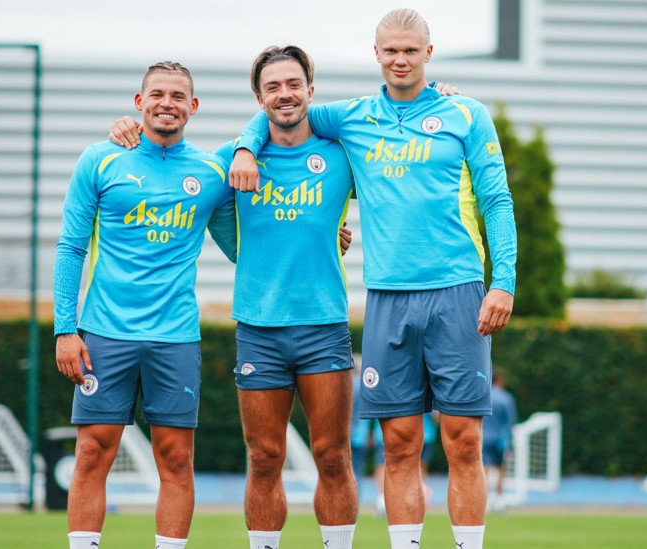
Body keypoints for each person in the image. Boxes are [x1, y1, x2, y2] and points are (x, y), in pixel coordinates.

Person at [228, 9, 517, 549]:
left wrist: (504, 281)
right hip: (386, 298)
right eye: (391, 50)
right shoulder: (351, 117)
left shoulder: (466, 114)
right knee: (399, 445)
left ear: (428, 53)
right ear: (377, 55)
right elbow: (282, 110)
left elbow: (498, 201)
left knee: (464, 441)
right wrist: (245, 146)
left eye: (411, 50)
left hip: (457, 292)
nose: (401, 59)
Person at [110, 45, 361, 549]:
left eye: (294, 85)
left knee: (332, 455)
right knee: (264, 457)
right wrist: (127, 135)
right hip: (259, 330)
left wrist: (437, 100)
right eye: (272, 87)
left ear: (310, 91)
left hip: (324, 326)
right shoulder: (228, 160)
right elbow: (167, 169)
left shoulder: (343, 155)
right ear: (259, 97)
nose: (284, 94)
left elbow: (400, 171)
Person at [53, 61, 238, 549]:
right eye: (157, 94)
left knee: (176, 459)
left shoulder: (211, 172)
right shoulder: (99, 159)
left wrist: (326, 238)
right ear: (139, 103)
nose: (167, 103)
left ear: (193, 107)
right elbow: (71, 247)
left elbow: (242, 248)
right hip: (104, 334)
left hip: (174, 336)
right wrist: (64, 330)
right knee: (93, 453)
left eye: (178, 96)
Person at [482, 370, 517, 513]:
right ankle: (499, 499)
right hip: (500, 439)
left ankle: (485, 499)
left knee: (484, 468)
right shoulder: (506, 398)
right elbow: (510, 422)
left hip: (483, 437)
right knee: (502, 468)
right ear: (500, 380)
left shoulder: (482, 395)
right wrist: (511, 443)